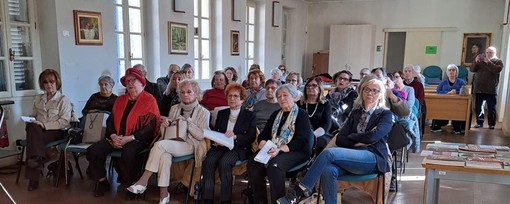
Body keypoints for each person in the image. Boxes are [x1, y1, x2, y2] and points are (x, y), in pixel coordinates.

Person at [277, 76, 393, 204]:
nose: (370, 93)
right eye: (367, 89)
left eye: (375, 90)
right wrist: (360, 139)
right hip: (352, 156)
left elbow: (373, 137)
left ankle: (297, 192)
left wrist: (354, 137)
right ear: (362, 92)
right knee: (328, 170)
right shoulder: (355, 113)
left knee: (329, 153)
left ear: (380, 94)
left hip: (372, 158)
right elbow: (340, 140)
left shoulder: (385, 114)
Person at [127, 79, 209, 204]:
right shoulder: (174, 108)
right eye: (182, 92)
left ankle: (143, 181)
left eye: (189, 92)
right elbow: (165, 132)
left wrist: (188, 123)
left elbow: (201, 136)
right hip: (172, 142)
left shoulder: (204, 112)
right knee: (164, 157)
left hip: (192, 144)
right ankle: (164, 195)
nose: (185, 95)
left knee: (159, 145)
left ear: (196, 93)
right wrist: (165, 125)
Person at [87, 68, 160, 197]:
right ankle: (102, 181)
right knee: (93, 151)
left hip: (138, 139)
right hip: (117, 137)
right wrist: (113, 135)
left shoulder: (149, 100)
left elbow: (150, 126)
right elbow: (111, 120)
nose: (130, 83)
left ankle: (134, 184)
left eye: (133, 80)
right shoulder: (120, 100)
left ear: (142, 82)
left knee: (128, 153)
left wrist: (130, 138)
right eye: (127, 81)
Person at [247, 84, 312, 204]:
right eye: (279, 96)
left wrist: (280, 150)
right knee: (253, 162)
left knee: (275, 165)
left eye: (285, 95)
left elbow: (302, 140)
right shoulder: (276, 114)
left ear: (293, 96)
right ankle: (260, 201)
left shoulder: (301, 114)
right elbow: (265, 133)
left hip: (297, 151)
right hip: (274, 149)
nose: (281, 98)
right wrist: (262, 142)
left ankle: (278, 201)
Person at [202, 83, 257, 204]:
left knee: (224, 162)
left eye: (236, 96)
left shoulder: (250, 115)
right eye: (230, 96)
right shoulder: (222, 113)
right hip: (220, 146)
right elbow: (217, 132)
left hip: (239, 147)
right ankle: (207, 198)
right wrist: (217, 141)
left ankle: (225, 200)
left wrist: (236, 136)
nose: (232, 99)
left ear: (242, 99)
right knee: (208, 161)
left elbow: (250, 137)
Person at [24, 69, 73, 191]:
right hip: (38, 131)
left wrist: (44, 125)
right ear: (42, 84)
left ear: (57, 83)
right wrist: (32, 120)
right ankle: (38, 159)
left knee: (33, 138)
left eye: (51, 81)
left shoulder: (63, 100)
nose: (49, 85)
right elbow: (33, 115)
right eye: (45, 82)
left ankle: (33, 179)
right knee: (32, 127)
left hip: (56, 131)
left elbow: (64, 122)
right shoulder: (38, 99)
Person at [471, 46, 503, 129]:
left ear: (495, 53)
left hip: (491, 88)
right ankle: (479, 122)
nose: (489, 54)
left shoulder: (498, 61)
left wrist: (488, 62)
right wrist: (475, 61)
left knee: (491, 107)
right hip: (479, 88)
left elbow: (496, 70)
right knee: (478, 106)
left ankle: (491, 124)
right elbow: (472, 69)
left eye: (491, 52)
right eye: (487, 52)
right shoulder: (480, 61)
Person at [298, 77, 332, 153]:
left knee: (319, 143)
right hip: (302, 134)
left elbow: (327, 124)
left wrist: (312, 136)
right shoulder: (299, 104)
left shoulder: (325, 104)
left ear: (320, 88)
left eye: (314, 85)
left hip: (320, 134)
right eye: (308, 85)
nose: (310, 87)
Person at [431, 64, 467, 134]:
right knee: (439, 109)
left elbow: (465, 92)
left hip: (457, 104)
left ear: (456, 72)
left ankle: (457, 128)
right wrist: (447, 92)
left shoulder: (461, 82)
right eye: (449, 70)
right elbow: (438, 91)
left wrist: (456, 92)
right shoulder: (443, 82)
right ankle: (437, 126)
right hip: (444, 103)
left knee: (458, 111)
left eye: (453, 70)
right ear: (447, 72)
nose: (451, 72)